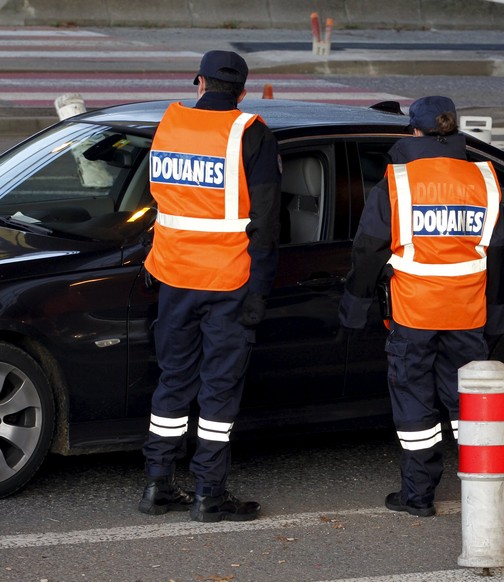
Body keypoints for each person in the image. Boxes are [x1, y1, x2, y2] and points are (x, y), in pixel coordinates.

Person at [339, 95, 504, 517]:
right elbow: (499, 256)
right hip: (468, 313)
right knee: (469, 407)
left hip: (414, 312)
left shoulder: (399, 181)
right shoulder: (484, 180)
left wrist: (354, 305)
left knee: (415, 401)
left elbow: (368, 248)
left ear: (413, 131)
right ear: (453, 132)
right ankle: (486, 498)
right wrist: (499, 314)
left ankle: (418, 495)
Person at [138, 50, 281, 522]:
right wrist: (259, 289)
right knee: (218, 391)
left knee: (173, 381)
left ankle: (158, 484)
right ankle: (209, 494)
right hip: (227, 281)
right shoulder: (250, 132)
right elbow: (265, 221)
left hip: (174, 277)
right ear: (241, 91)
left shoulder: (170, 124)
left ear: (197, 82)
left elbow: (161, 199)